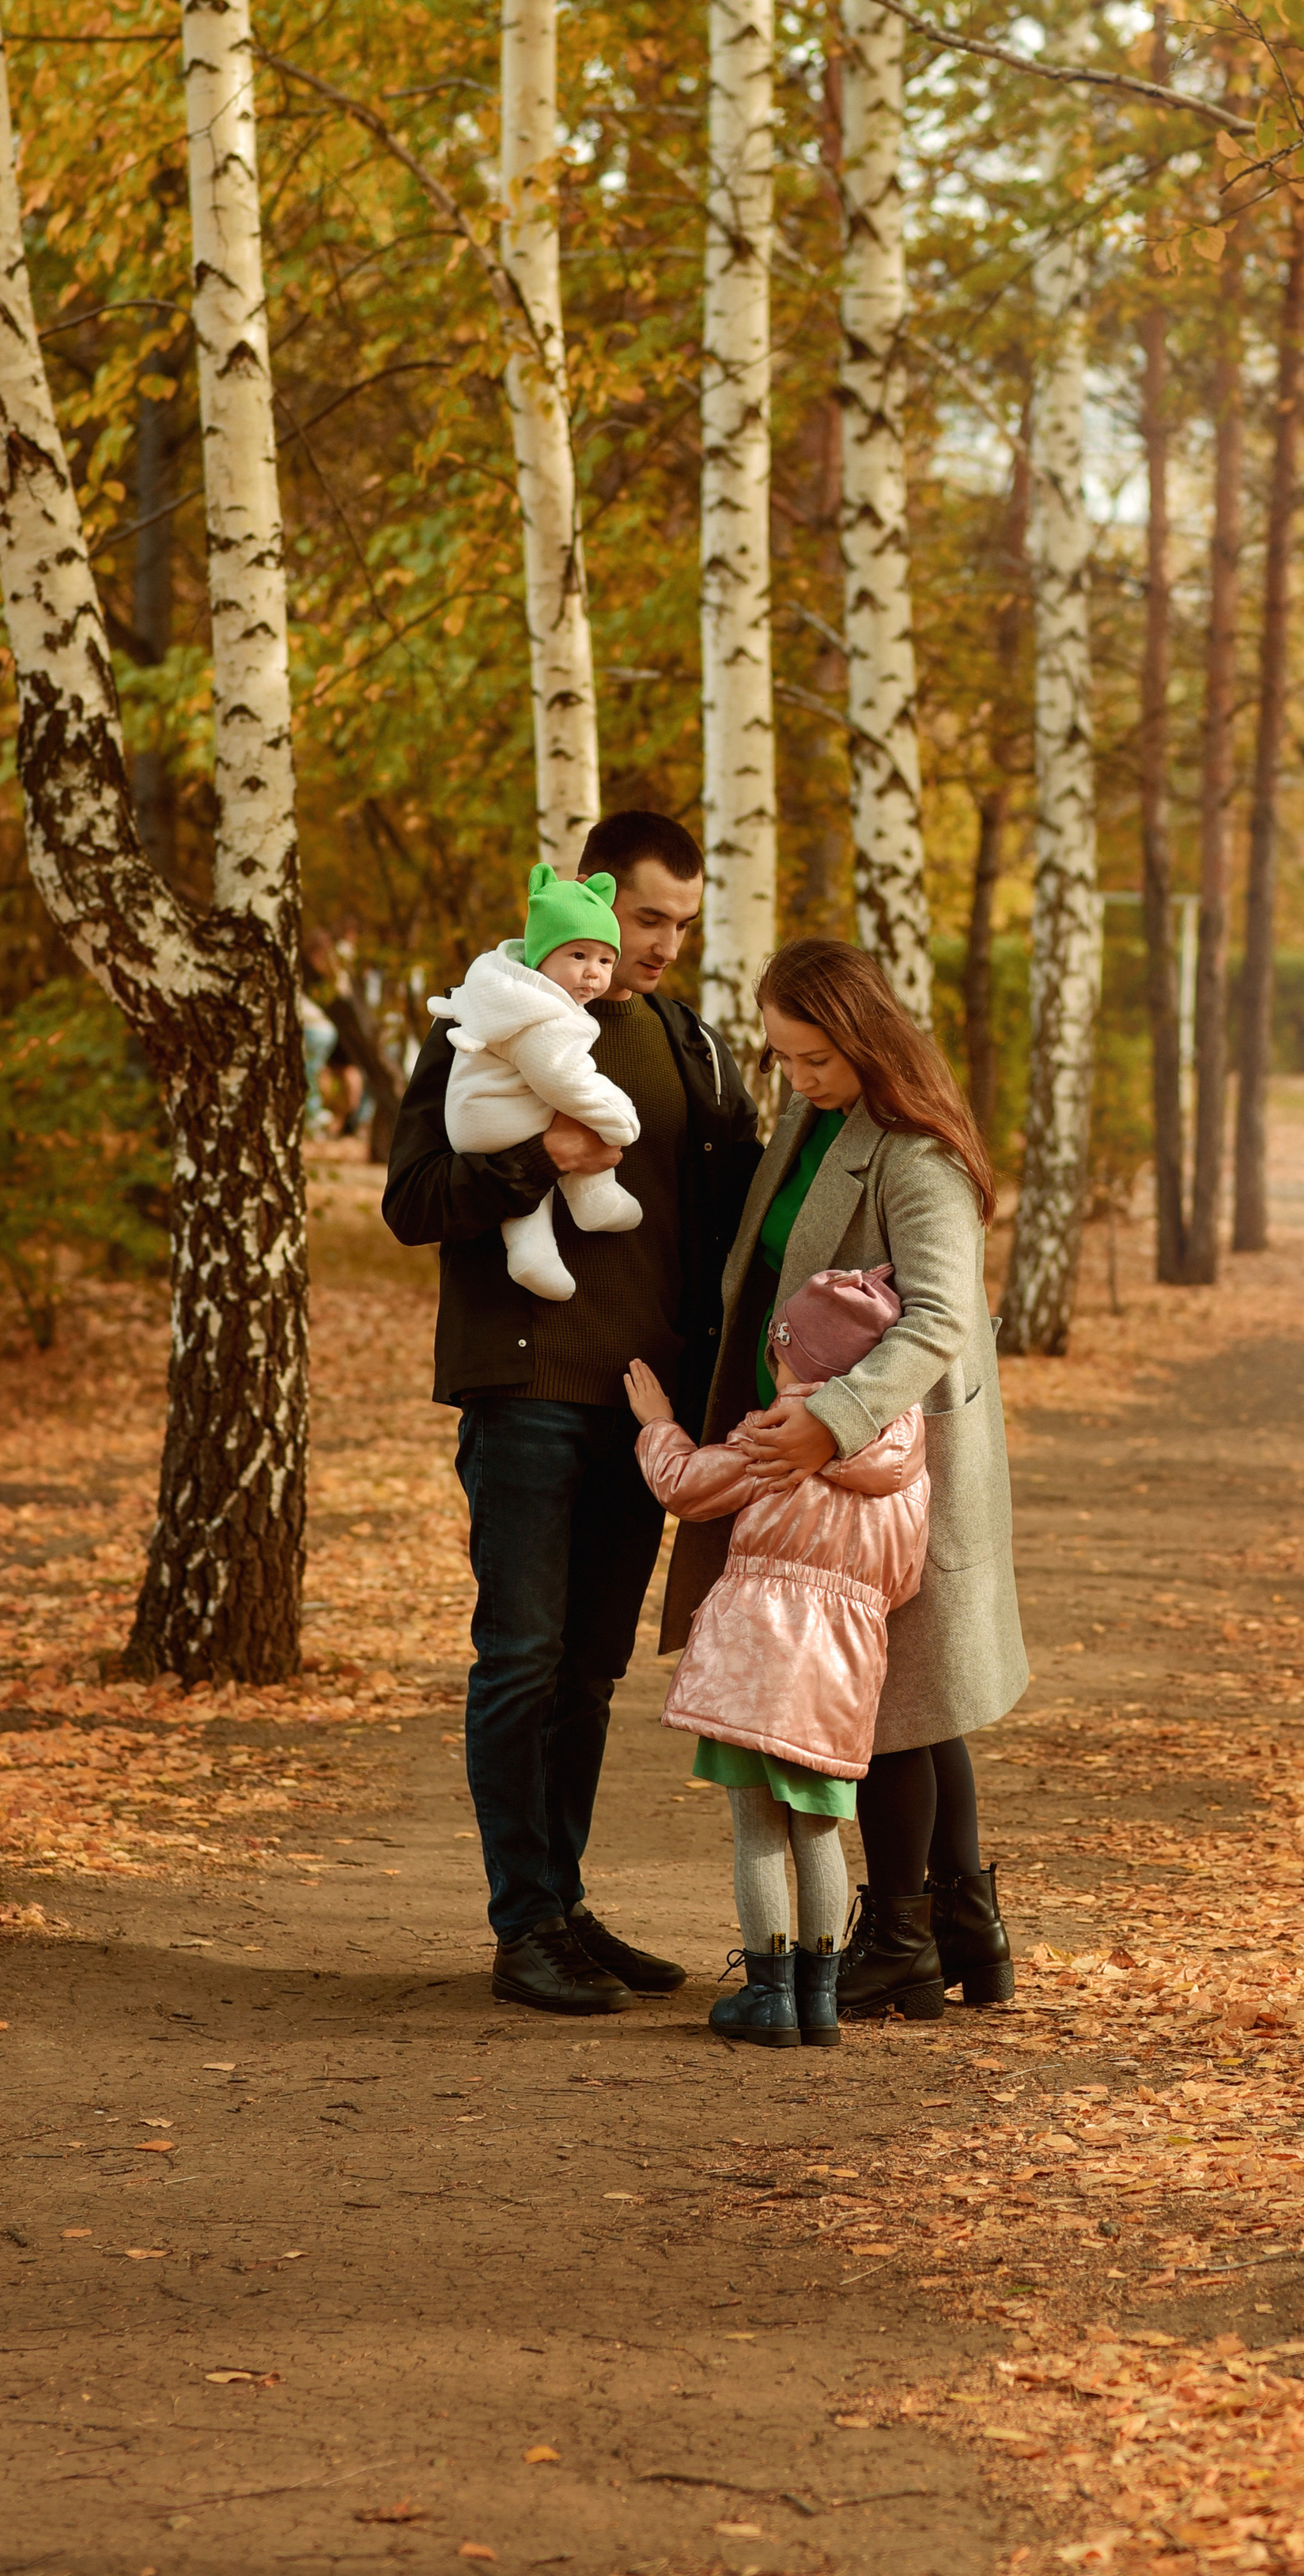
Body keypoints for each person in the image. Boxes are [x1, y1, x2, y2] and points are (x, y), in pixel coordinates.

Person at [383, 810, 759, 2015]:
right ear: (594, 894)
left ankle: (565, 1903)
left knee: (591, 1671)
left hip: (646, 1413)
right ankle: (523, 1924)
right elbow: (409, 1200)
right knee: (523, 1659)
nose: (659, 946)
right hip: (530, 1392)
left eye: (680, 926)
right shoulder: (489, 1019)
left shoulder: (693, 1045)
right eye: (645, 918)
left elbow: (739, 1212)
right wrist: (536, 1156)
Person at [660, 936, 1026, 2023]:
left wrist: (831, 1423)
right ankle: (966, 1929)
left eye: (816, 1057)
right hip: (831, 1456)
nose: (800, 1077)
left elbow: (942, 1318)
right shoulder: (811, 1124)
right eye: (784, 1057)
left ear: (865, 1036)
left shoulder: (916, 1155)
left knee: (898, 1703)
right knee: (922, 1693)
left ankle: (904, 1938)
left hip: (891, 1461)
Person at [626, 1263, 932, 2052]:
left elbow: (686, 1487)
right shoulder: (904, 1460)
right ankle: (820, 2000)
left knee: (758, 1827)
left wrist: (655, 1423)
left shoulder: (772, 1433)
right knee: (821, 1830)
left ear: (784, 1351)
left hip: (756, 1654)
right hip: (845, 1665)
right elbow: (903, 1579)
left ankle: (768, 1995)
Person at [429, 864, 644, 1301]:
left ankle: (532, 1253)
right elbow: (565, 1079)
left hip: (478, 1117)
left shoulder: (507, 989)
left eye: (605, 960)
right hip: (497, 1117)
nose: (593, 974)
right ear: (541, 954)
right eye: (578, 956)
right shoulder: (539, 1012)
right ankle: (593, 1199)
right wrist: (619, 1118)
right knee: (573, 1117)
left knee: (549, 1139)